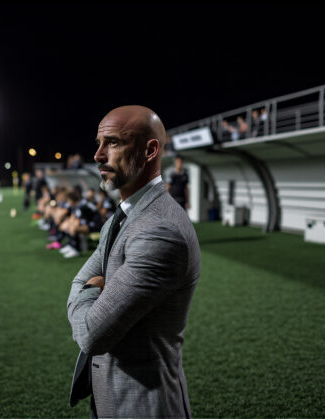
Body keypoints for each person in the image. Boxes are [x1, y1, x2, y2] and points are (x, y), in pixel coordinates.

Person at [67, 105, 201, 417]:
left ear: (150, 150)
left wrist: (89, 290)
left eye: (113, 143)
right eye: (99, 144)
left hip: (142, 405)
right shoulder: (124, 215)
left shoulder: (160, 231)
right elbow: (82, 280)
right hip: (114, 398)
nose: (98, 155)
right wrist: (90, 287)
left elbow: (91, 334)